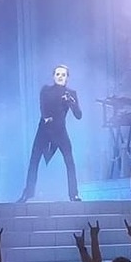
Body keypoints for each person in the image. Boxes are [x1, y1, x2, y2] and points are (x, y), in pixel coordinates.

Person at [18, 65, 83, 202]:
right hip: (44, 129)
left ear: (67, 77)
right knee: (34, 160)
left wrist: (71, 102)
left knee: (70, 162)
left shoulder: (71, 94)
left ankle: (74, 194)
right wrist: (47, 118)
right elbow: (43, 107)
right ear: (53, 76)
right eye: (58, 74)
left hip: (60, 130)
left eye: (63, 74)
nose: (60, 77)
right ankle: (28, 192)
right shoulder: (46, 90)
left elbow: (78, 115)